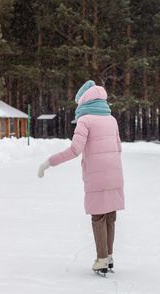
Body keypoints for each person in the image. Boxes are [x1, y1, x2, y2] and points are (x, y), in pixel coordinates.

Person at [38, 80, 124, 275]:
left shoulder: (85, 120)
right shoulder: (111, 119)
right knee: (110, 216)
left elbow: (75, 150)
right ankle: (108, 256)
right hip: (115, 172)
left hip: (97, 175)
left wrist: (49, 162)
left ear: (83, 101)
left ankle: (101, 259)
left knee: (98, 217)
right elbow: (119, 148)